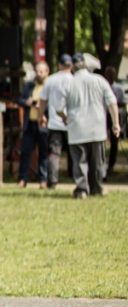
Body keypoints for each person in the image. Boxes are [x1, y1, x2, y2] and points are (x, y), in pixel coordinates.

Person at [60, 53, 119, 198]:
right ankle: (97, 188)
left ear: (73, 68)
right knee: (97, 162)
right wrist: (116, 123)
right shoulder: (99, 80)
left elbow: (59, 108)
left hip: (77, 128)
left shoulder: (69, 83)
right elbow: (112, 103)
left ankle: (81, 190)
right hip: (97, 128)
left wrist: (65, 118)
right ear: (86, 65)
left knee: (79, 161)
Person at [38, 53, 74, 188]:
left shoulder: (51, 80)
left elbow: (42, 99)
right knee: (76, 152)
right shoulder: (74, 80)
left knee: (54, 153)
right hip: (71, 123)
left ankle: (52, 181)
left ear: (59, 65)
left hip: (54, 123)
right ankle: (78, 177)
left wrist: (41, 116)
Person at [17, 61, 49, 188]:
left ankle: (43, 180)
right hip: (29, 124)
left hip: (43, 124)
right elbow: (20, 100)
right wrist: (27, 102)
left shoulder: (49, 86)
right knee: (25, 152)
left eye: (41, 71)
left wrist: (43, 106)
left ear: (47, 72)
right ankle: (22, 179)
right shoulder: (29, 86)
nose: (39, 74)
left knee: (43, 153)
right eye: (37, 71)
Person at [103, 66, 125, 178]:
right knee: (102, 140)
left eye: (113, 74)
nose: (111, 76)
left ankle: (111, 164)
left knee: (114, 141)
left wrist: (114, 102)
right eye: (109, 74)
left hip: (114, 115)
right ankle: (102, 165)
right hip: (103, 115)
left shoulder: (118, 88)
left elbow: (123, 104)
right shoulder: (102, 86)